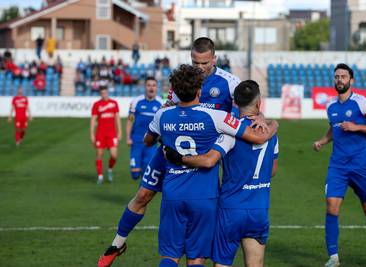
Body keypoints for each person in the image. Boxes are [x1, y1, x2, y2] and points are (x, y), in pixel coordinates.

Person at [97, 37, 263, 266]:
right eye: (195, 62)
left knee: (196, 217)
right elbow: (168, 109)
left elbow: (247, 107)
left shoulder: (229, 82)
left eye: (204, 63)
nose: (199, 68)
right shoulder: (184, 79)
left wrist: (262, 119)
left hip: (204, 152)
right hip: (169, 149)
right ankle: (116, 244)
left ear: (214, 59)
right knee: (143, 195)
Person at [144, 65, 276, 267]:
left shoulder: (164, 116)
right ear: (199, 91)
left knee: (170, 255)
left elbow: (148, 140)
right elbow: (262, 146)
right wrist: (274, 123)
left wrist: (178, 157)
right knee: (198, 258)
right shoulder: (220, 119)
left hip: (189, 196)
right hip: (228, 201)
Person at [312, 63, 366, 267]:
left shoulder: (362, 103)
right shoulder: (331, 106)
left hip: (361, 165)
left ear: (351, 80)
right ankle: (333, 257)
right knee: (331, 206)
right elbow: (334, 129)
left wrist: (357, 127)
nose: (339, 80)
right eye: (337, 76)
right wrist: (322, 140)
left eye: (343, 77)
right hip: (338, 166)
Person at [126, 77, 163, 180]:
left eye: (154, 85)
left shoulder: (161, 103)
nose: (151, 88)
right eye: (149, 85)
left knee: (147, 174)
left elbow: (162, 124)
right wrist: (128, 137)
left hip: (152, 142)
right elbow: (130, 120)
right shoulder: (136, 102)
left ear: (157, 88)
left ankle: (141, 195)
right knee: (135, 174)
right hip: (137, 141)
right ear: (145, 87)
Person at [90, 86, 122, 184]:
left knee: (114, 155)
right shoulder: (97, 104)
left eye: (105, 93)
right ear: (100, 94)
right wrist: (92, 134)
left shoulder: (114, 103)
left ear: (108, 93)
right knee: (99, 155)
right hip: (100, 133)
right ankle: (100, 176)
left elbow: (117, 118)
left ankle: (109, 169)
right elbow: (93, 120)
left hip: (112, 133)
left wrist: (119, 131)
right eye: (102, 93)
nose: (104, 95)